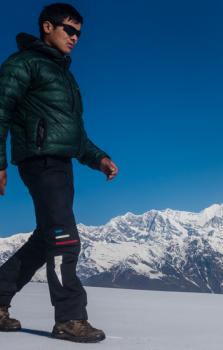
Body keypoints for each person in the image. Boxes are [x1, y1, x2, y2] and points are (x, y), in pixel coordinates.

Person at [0, 3, 118, 343]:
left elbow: (73, 134)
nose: (75, 38)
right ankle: (69, 317)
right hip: (40, 162)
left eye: (79, 32)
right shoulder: (23, 64)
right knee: (64, 236)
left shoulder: (64, 75)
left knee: (47, 238)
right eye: (69, 29)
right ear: (47, 27)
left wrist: (99, 159)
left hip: (61, 164)